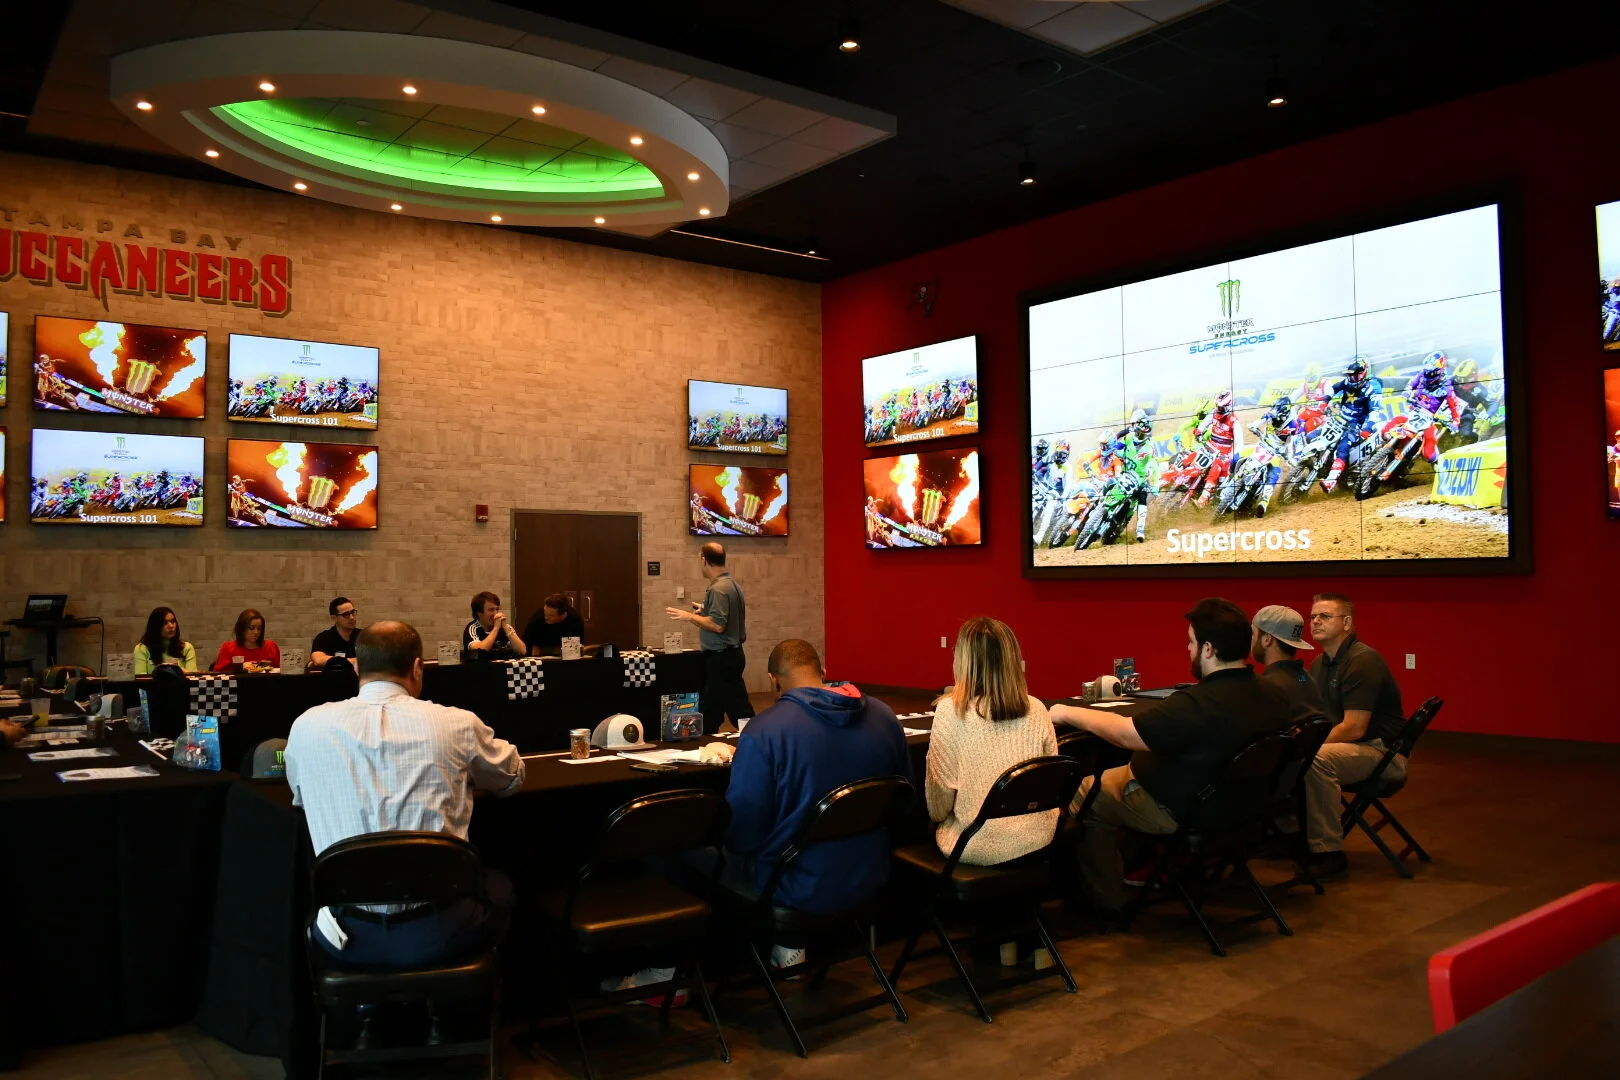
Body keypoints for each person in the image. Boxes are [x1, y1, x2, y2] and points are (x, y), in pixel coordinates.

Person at [285, 620, 524, 967]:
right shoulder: (456, 724)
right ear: (416, 667)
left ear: (356, 666)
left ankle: (368, 1008)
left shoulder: (306, 726)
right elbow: (513, 776)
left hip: (344, 935)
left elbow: (300, 798)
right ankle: (456, 1009)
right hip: (441, 930)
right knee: (501, 887)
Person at [1051, 598, 1293, 914]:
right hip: (1245, 807)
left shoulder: (1198, 704)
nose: (1188, 650)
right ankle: (1140, 870)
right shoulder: (1273, 693)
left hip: (1184, 810)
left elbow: (1126, 734)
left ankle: (1103, 901)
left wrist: (1068, 713)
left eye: (1191, 643)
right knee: (1115, 780)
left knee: (1086, 792)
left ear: (1208, 649)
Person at [726, 639, 913, 965]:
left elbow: (744, 832)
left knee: (679, 860)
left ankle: (667, 975)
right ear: (823, 672)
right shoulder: (884, 716)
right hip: (871, 871)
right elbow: (905, 800)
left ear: (774, 680)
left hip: (795, 883)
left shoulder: (764, 731)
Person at [926, 617, 1058, 866]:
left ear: (964, 661)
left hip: (975, 843)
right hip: (1040, 837)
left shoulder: (949, 712)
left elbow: (938, 805)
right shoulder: (1038, 708)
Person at [1303, 593, 1408, 878]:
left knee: (1315, 760)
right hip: (1353, 747)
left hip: (1381, 752)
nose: (1315, 622)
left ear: (1347, 623)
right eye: (1313, 617)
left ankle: (1328, 852)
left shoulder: (1362, 660)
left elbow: (1354, 728)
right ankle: (1291, 836)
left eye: (1325, 616)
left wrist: (1306, 747)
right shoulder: (1319, 664)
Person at [665, 542, 753, 730]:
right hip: (729, 656)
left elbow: (718, 625)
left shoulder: (718, 589)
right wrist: (704, 610)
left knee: (740, 710)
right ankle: (704, 740)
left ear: (704, 560)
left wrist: (688, 616)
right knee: (711, 710)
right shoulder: (731, 585)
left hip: (722, 658)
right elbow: (726, 616)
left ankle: (761, 741)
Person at [1250, 605, 1328, 726]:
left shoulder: (1266, 687)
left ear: (1267, 639)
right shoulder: (1308, 679)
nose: (1251, 640)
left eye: (1253, 634)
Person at [211, 608, 281, 672]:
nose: (256, 632)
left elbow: (281, 673)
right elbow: (219, 675)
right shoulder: (229, 649)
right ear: (242, 628)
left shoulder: (271, 647)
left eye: (259, 628)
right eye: (251, 628)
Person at [133, 607, 198, 674]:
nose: (170, 626)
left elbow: (193, 679)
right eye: (165, 623)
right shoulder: (141, 649)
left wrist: (178, 671)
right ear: (155, 626)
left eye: (173, 621)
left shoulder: (186, 648)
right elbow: (140, 681)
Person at [462, 592, 525, 660]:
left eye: (497, 609)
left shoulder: (505, 627)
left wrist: (507, 630)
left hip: (503, 668)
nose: (495, 613)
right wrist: (496, 629)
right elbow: (479, 651)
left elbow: (522, 651)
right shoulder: (473, 628)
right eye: (491, 610)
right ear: (479, 612)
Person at [310, 597, 360, 668]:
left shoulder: (365, 636)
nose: (351, 617)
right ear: (334, 618)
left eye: (352, 612)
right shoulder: (324, 638)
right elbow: (318, 660)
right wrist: (355, 661)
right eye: (346, 614)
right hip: (333, 678)